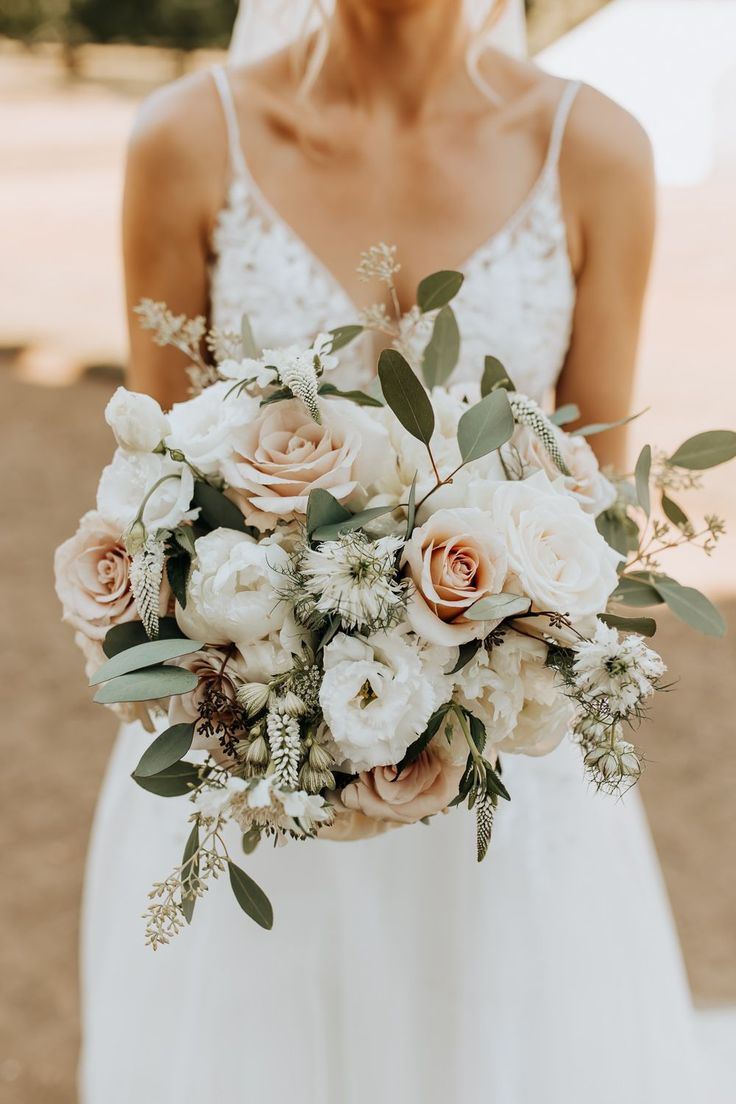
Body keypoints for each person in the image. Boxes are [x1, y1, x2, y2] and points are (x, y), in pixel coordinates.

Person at [81, 2, 705, 1100]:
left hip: (499, 792)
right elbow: (159, 504)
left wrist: (473, 659)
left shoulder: (595, 152)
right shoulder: (184, 138)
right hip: (251, 782)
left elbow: (595, 526)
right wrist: (278, 665)